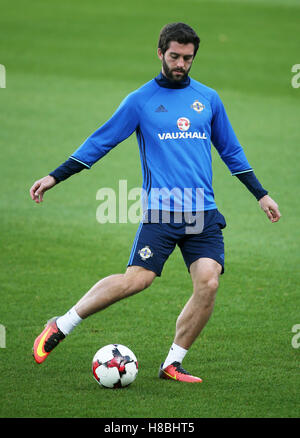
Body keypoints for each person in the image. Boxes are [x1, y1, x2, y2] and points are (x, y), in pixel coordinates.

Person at [30, 22, 281, 383]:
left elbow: (231, 150)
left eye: (188, 58)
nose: (181, 64)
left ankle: (172, 363)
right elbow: (100, 142)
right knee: (137, 280)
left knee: (208, 283)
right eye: (175, 56)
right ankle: (62, 324)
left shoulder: (208, 99)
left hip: (202, 212)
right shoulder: (140, 101)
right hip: (162, 212)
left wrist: (261, 194)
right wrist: (56, 176)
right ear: (160, 53)